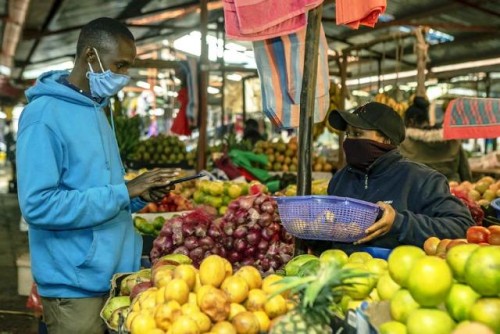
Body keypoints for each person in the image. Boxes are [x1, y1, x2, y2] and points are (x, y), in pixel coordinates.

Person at [16, 18, 177, 334]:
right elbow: (38, 206)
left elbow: (97, 189)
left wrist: (138, 196)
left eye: (127, 67)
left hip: (115, 277)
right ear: (91, 56)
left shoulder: (96, 109)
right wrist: (123, 192)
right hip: (74, 286)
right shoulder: (43, 116)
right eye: (119, 65)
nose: (122, 76)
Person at [325, 102, 474, 251]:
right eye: (348, 134)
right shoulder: (340, 180)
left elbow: (462, 226)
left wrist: (399, 223)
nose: (350, 140)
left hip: (396, 271)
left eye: (357, 134)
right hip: (341, 270)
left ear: (385, 139)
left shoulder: (422, 179)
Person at [399, 96, 472, 182]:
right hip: (450, 190)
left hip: (417, 191)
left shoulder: (403, 145)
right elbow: (465, 173)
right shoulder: (453, 141)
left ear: (411, 121)